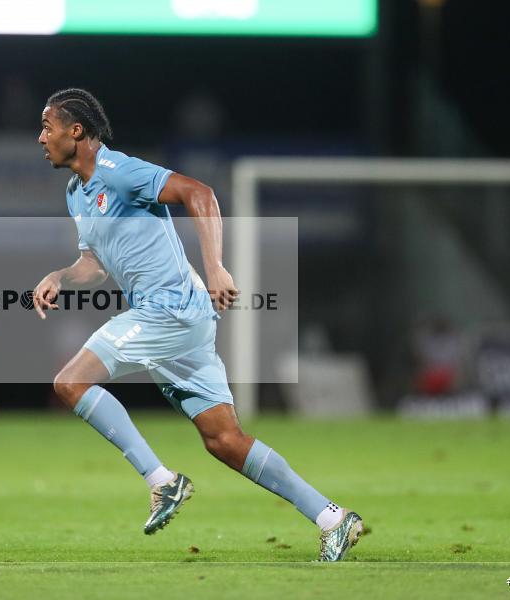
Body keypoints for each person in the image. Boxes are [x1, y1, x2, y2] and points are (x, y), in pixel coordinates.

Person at [33, 88, 363, 561]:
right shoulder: (76, 193)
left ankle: (161, 481)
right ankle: (333, 518)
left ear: (76, 131)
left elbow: (198, 192)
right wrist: (61, 276)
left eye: (48, 127)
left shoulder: (119, 171)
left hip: (170, 309)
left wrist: (217, 269)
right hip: (175, 321)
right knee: (224, 440)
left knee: (70, 382)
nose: (41, 137)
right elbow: (95, 262)